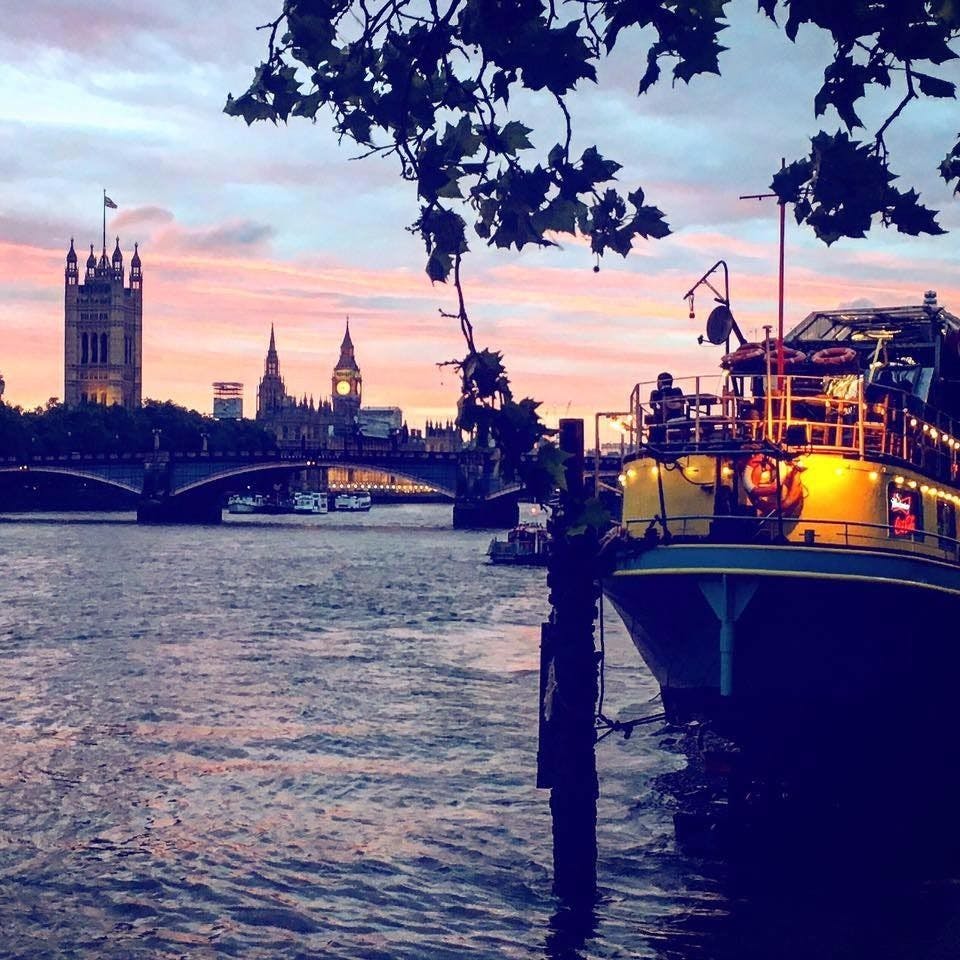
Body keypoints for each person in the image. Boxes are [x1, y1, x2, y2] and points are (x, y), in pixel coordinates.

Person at [648, 372, 686, 442]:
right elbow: (682, 403)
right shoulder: (677, 391)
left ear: (660, 382)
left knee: (653, 423)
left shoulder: (655, 393)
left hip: (661, 422)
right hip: (679, 419)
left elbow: (652, 406)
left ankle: (652, 443)